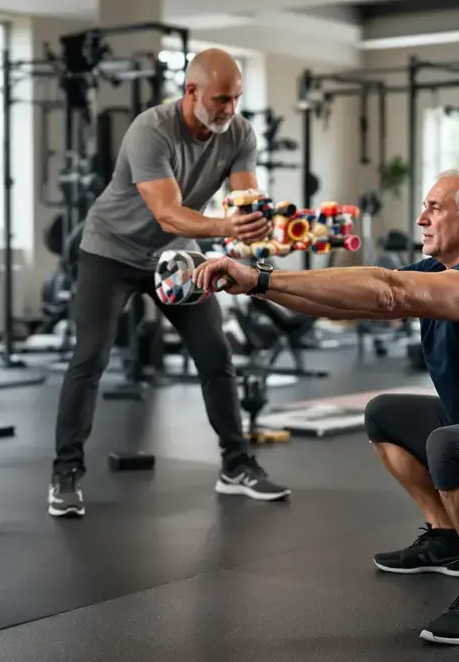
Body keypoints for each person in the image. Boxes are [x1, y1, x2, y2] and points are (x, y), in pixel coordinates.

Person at [193, 168, 459, 646]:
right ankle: (447, 535)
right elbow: (351, 303)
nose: (421, 218)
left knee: (451, 445)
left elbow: (391, 290)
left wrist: (262, 277)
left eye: (434, 208)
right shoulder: (441, 271)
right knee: (385, 413)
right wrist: (259, 284)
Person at [48, 48, 291, 518]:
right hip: (111, 250)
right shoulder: (151, 129)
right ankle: (65, 473)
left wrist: (260, 228)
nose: (230, 109)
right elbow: (167, 212)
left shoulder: (238, 132)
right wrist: (227, 230)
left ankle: (236, 466)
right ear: (191, 92)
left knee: (215, 354)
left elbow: (243, 200)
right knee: (90, 356)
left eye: (237, 98)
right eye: (221, 99)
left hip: (177, 255)